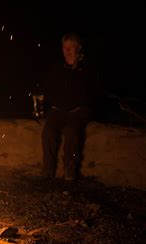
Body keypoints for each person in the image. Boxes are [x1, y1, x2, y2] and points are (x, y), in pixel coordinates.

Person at [41, 33, 101, 181]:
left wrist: (78, 68)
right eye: (64, 48)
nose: (67, 52)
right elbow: (48, 88)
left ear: (78, 49)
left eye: (70, 48)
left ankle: (70, 172)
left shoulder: (86, 68)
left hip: (78, 110)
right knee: (48, 132)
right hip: (58, 109)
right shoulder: (58, 67)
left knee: (71, 132)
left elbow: (91, 92)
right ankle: (48, 172)